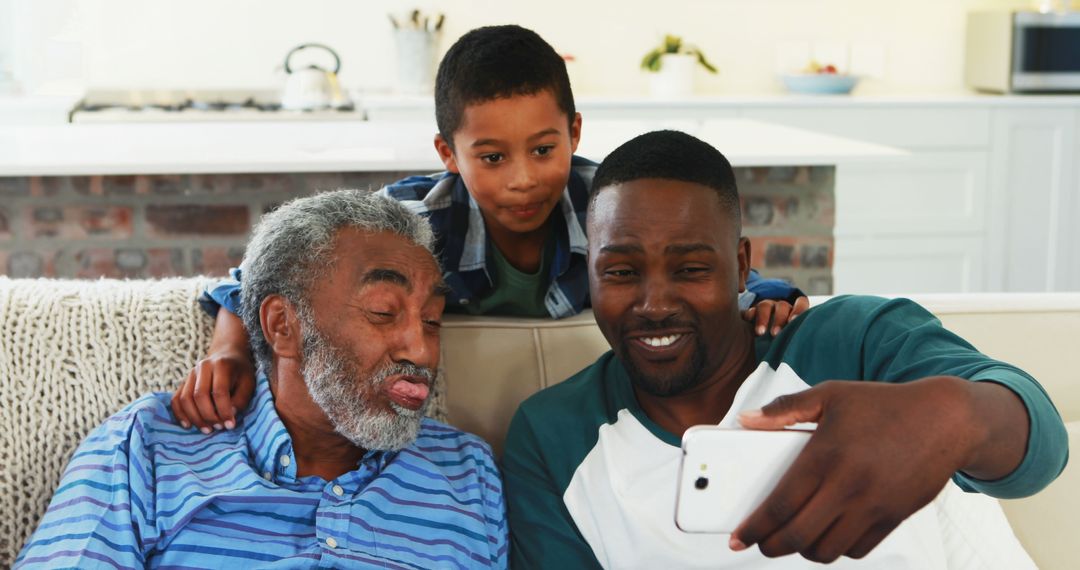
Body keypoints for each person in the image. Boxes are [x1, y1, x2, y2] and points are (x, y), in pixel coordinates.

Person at [172, 24, 808, 433]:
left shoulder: (611, 204)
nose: (523, 180)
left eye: (543, 148)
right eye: (492, 158)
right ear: (449, 154)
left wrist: (771, 300)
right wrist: (229, 350)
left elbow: (703, 273)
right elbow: (258, 278)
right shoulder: (416, 219)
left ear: (576, 133)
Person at [502, 130, 1069, 569]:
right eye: (621, 271)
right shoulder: (554, 436)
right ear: (590, 275)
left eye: (692, 269)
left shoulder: (854, 340)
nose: (654, 304)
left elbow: (1040, 451)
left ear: (742, 266)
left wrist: (950, 418)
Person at [16, 190, 507, 568]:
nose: (420, 350)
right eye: (382, 311)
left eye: (433, 319)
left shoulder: (466, 472)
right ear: (281, 326)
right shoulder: (147, 447)